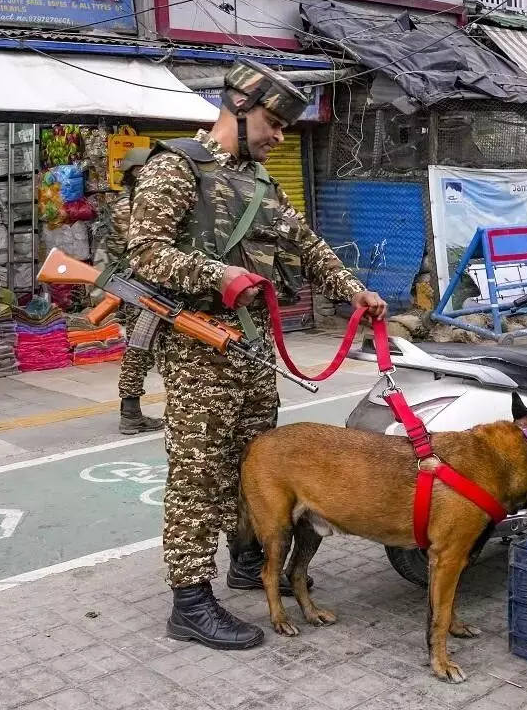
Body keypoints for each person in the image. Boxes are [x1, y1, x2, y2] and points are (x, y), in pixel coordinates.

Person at [126, 59, 387, 650]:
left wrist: (355, 293)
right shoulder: (174, 169)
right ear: (237, 110)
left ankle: (249, 560)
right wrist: (218, 274)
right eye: (271, 122)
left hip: (254, 354)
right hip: (200, 350)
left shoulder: (263, 183)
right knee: (198, 475)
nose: (277, 136)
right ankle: (189, 600)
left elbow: (309, 245)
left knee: (259, 464)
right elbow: (144, 254)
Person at [105, 148, 163, 435]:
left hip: (140, 285)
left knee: (148, 348)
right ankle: (130, 413)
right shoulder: (129, 205)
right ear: (136, 172)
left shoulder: (133, 201)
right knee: (139, 349)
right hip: (140, 287)